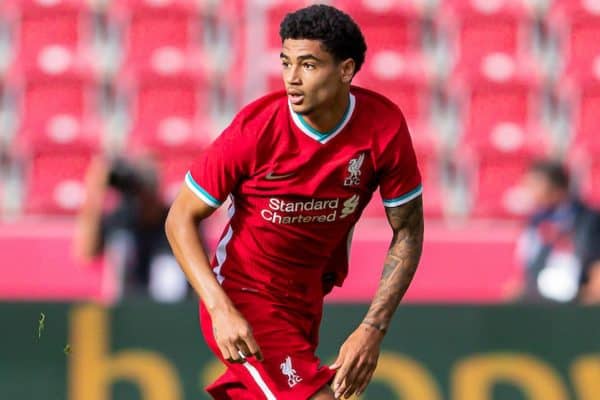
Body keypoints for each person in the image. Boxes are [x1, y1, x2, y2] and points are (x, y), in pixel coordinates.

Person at [165, 5, 424, 399]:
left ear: (345, 70)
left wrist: (373, 328)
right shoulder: (256, 129)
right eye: (286, 62)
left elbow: (407, 230)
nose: (292, 78)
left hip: (305, 300)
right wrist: (220, 309)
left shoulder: (383, 128)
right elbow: (180, 217)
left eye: (308, 65)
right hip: (243, 296)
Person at [76, 155, 189, 302]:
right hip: (128, 310)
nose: (138, 199)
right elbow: (86, 252)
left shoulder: (176, 221)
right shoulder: (122, 218)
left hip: (169, 313)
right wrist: (95, 191)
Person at [514, 160, 600, 304]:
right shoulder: (535, 221)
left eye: (535, 185)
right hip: (539, 291)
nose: (529, 190)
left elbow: (593, 260)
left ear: (557, 188)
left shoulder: (588, 218)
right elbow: (529, 260)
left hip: (580, 290)